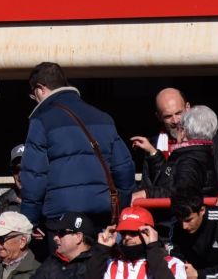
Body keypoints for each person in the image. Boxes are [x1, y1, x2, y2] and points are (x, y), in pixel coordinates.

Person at [19, 62, 133, 235]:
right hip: (102, 215)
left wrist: (29, 221)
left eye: (33, 94)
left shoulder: (41, 120)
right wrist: (120, 208)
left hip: (61, 216)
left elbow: (34, 176)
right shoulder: (103, 117)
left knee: (63, 261)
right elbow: (124, 169)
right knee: (99, 260)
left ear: (40, 89)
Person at [137, 89, 218, 200]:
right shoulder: (153, 146)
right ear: (159, 117)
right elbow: (152, 184)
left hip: (207, 211)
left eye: (178, 113)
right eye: (168, 116)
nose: (175, 120)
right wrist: (153, 154)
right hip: (167, 213)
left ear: (188, 107)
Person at [167, 199, 218, 279]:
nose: (184, 226)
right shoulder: (175, 225)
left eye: (189, 220)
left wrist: (199, 274)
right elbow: (176, 257)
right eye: (180, 221)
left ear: (202, 210)